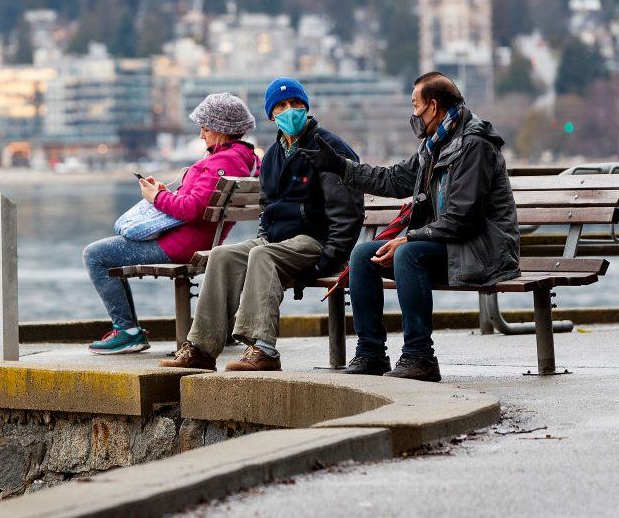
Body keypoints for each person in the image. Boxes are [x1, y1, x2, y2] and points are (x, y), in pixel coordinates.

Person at [305, 72, 520, 382]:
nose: (414, 114)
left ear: (432, 107)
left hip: (483, 251)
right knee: (363, 256)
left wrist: (409, 239)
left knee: (408, 255)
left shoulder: (475, 146)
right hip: (449, 246)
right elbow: (391, 179)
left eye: (415, 105)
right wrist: (340, 166)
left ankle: (420, 357)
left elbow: (463, 218)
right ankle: (371, 353)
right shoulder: (433, 146)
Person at [159, 77, 364, 371]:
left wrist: (330, 259)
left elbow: (348, 212)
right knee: (222, 256)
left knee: (262, 255)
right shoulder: (272, 156)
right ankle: (202, 348)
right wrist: (264, 235)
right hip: (276, 241)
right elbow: (268, 208)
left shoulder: (329, 148)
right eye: (281, 106)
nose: (289, 110)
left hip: (314, 241)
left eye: (295, 103)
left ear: (305, 106)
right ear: (271, 115)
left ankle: (263, 349)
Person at [83, 93, 260, 355]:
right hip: (199, 240)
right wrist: (168, 194)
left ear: (222, 130)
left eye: (205, 128)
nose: (201, 135)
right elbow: (197, 202)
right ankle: (129, 331)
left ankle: (127, 332)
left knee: (95, 254)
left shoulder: (222, 162)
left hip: (181, 244)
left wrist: (157, 197)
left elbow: (191, 210)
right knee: (104, 252)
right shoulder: (244, 159)